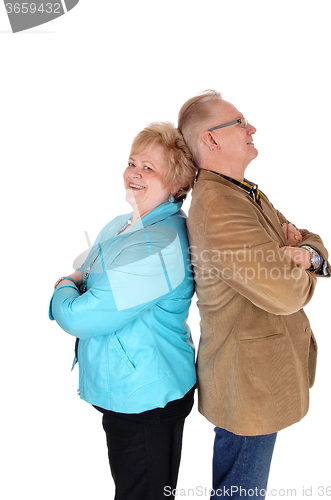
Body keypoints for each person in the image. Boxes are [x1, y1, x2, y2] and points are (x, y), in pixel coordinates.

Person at [178, 90, 331, 499]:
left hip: (258, 378)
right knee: (240, 495)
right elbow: (285, 294)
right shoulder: (218, 204)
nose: (252, 128)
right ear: (211, 139)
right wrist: (299, 262)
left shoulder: (243, 192)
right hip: (247, 383)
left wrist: (305, 254)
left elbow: (309, 238)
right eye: (240, 122)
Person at [49, 122, 197, 500]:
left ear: (176, 183)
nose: (134, 173)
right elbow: (89, 279)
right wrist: (79, 281)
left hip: (148, 399)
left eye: (149, 168)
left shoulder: (161, 243)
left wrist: (65, 285)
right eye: (132, 162)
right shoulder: (120, 225)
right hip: (126, 394)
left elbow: (79, 314)